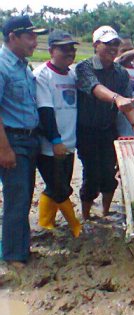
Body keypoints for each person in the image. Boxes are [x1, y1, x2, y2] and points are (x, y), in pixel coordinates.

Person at [75, 26, 134, 220]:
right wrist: (116, 98)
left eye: (116, 44)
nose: (113, 48)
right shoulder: (84, 67)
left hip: (108, 129)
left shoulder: (121, 72)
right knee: (91, 175)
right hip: (86, 130)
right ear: (96, 45)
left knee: (108, 174)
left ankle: (105, 213)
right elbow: (96, 88)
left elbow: (128, 101)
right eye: (108, 44)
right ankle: (86, 216)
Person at [0, 15, 47, 266]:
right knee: (16, 198)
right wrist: (4, 149)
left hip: (29, 139)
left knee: (24, 196)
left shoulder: (23, 66)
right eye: (29, 36)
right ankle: (13, 256)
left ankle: (20, 248)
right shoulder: (2, 65)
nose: (35, 41)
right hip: (12, 140)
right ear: (13, 37)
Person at [33, 30, 82, 237]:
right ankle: (75, 225)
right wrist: (55, 139)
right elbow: (45, 110)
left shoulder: (72, 75)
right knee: (60, 188)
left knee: (58, 185)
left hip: (70, 141)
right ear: (51, 50)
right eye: (64, 49)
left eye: (72, 49)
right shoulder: (42, 75)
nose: (69, 53)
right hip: (51, 144)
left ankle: (46, 222)